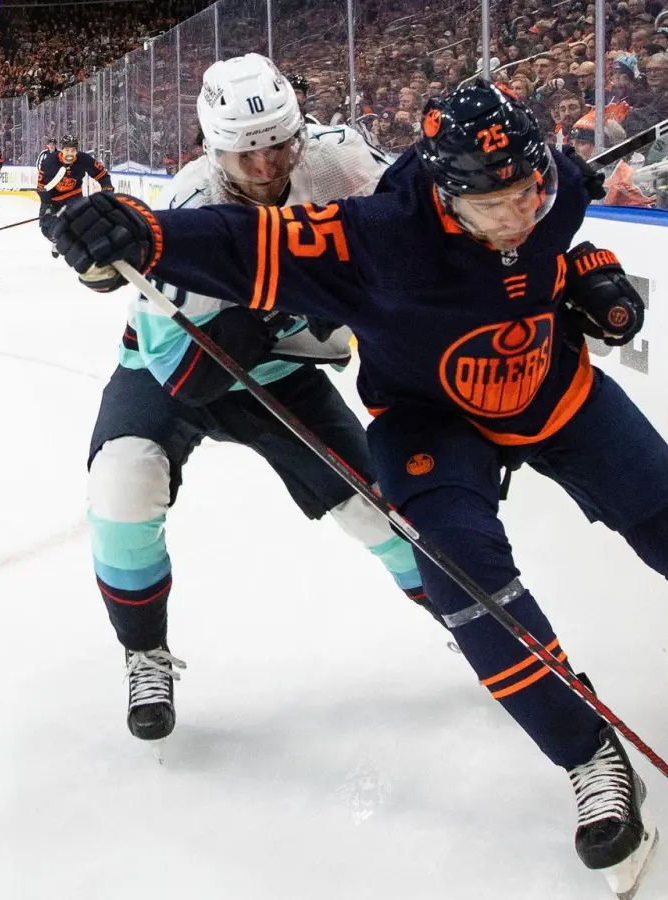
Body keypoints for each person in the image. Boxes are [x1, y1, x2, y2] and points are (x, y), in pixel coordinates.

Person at [50, 81, 668, 893]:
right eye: (493, 207)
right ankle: (589, 758)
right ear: (443, 193)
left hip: (555, 393)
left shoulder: (546, 189)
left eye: (528, 194)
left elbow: (566, 232)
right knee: (473, 593)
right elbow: (245, 241)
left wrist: (588, 275)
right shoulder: (373, 235)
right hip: (431, 426)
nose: (518, 216)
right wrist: (135, 230)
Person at [77, 54, 431, 744]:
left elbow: (423, 223)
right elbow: (189, 379)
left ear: (300, 129)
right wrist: (294, 303)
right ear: (213, 149)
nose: (267, 169)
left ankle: (465, 618)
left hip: (280, 372)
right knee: (123, 482)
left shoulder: (338, 162)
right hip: (172, 368)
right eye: (246, 155)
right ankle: (144, 652)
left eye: (278, 146)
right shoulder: (188, 209)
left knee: (377, 511)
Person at [37, 135, 111, 257]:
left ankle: (87, 248)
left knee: (77, 221)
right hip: (53, 198)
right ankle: (57, 241)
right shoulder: (49, 162)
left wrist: (107, 187)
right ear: (61, 150)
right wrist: (48, 207)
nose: (70, 154)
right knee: (46, 229)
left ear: (77, 151)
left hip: (73, 195)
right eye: (67, 150)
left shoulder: (84, 159)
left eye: (73, 150)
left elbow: (102, 174)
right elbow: (42, 188)